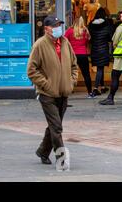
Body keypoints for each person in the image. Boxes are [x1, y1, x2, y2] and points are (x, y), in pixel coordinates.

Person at [27, 16, 78, 170]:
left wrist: (71, 81)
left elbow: (74, 65)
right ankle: (61, 159)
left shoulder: (65, 42)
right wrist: (46, 84)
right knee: (56, 127)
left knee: (54, 126)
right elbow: (31, 70)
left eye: (59, 25)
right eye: (55, 25)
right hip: (47, 94)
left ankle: (42, 151)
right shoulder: (39, 45)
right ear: (46, 29)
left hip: (63, 92)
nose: (58, 28)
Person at [64, 16, 93, 98]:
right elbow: (88, 41)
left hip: (72, 55)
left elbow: (64, 41)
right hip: (83, 54)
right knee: (86, 74)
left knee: (70, 74)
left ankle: (69, 91)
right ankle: (90, 93)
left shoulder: (69, 31)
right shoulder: (85, 31)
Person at [88, 7, 112, 96]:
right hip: (103, 48)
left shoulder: (91, 24)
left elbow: (89, 38)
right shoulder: (107, 23)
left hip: (94, 48)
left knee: (99, 68)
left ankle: (102, 87)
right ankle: (95, 88)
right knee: (100, 69)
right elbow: (110, 37)